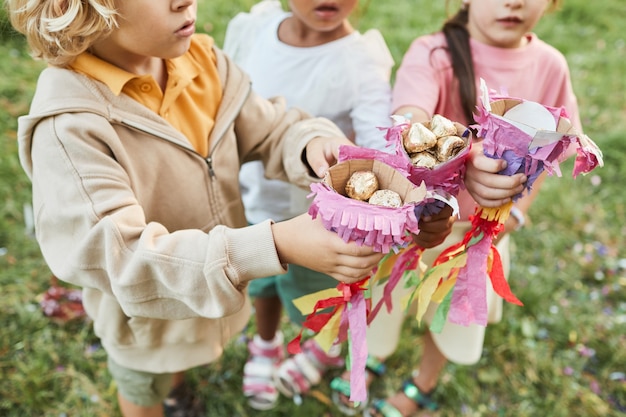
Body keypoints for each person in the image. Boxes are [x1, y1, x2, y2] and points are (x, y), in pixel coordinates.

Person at [4, 0, 391, 416]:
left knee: (185, 360)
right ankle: (165, 395)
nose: (185, 1)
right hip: (146, 327)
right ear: (85, 7)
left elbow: (271, 128)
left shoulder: (200, 62)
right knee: (144, 389)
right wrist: (276, 244)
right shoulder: (71, 129)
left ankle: (179, 385)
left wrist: (311, 144)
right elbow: (125, 258)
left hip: (215, 294)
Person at [332, 0, 582, 416]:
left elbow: (554, 149)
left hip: (478, 235)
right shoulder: (434, 55)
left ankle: (423, 381)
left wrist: (517, 212)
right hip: (420, 223)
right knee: (386, 300)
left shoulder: (550, 66)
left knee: (448, 314)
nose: (514, 2)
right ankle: (375, 357)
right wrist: (457, 155)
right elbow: (412, 115)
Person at [222, 0, 399, 410]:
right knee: (261, 280)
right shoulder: (256, 28)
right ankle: (266, 343)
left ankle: (324, 348)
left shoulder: (360, 60)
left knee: (318, 298)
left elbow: (375, 140)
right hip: (254, 199)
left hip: (321, 224)